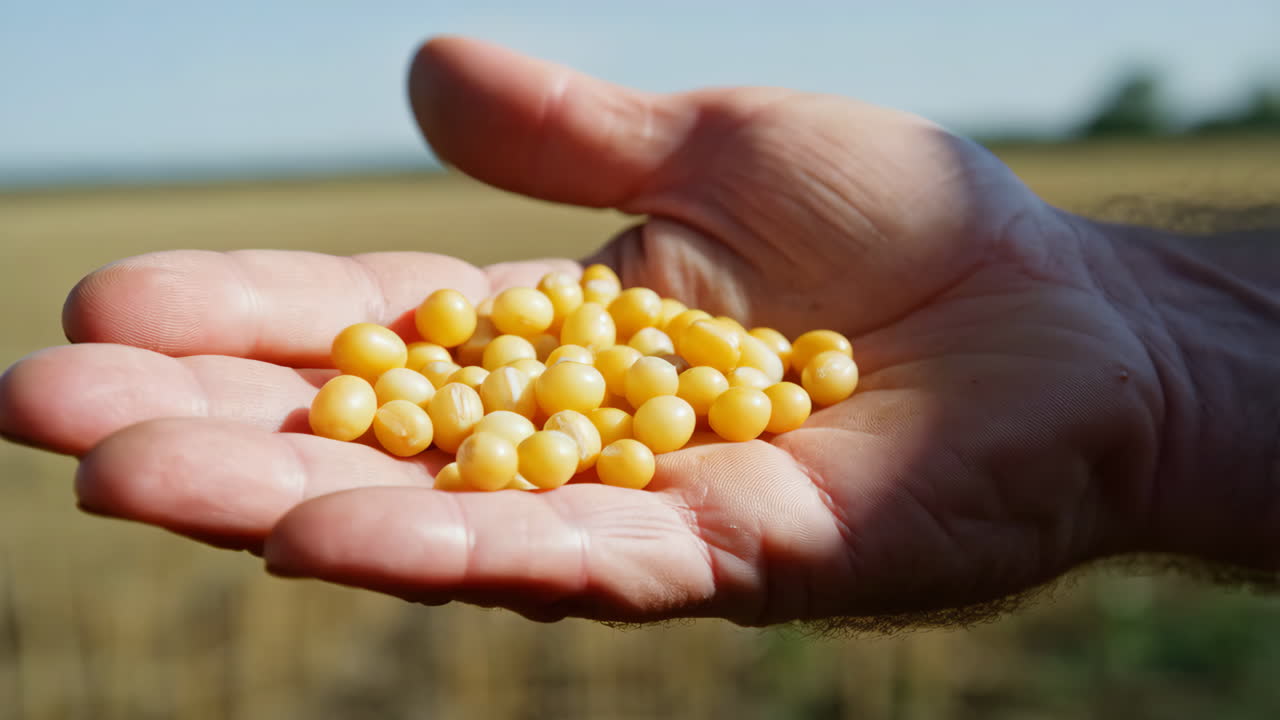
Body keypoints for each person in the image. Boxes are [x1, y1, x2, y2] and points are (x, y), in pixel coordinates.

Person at [0, 37, 1275, 629]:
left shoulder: (673, 370)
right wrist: (1171, 355)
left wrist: (1161, 354)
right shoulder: (517, 367)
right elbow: (512, 379)